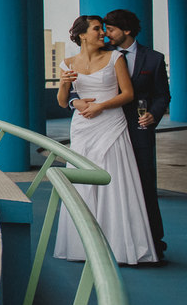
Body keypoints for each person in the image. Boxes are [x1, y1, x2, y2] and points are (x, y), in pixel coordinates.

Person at [54, 15, 155, 265]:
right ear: (82, 35)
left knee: (115, 181)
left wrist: (101, 107)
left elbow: (128, 94)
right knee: (82, 182)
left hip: (111, 124)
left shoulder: (115, 58)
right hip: (82, 128)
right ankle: (81, 246)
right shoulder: (67, 64)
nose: (103, 34)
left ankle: (120, 246)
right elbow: (62, 100)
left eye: (103, 29)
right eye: (97, 29)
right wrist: (68, 92)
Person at [99, 8, 170, 263]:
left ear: (127, 30)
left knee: (145, 186)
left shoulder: (153, 59)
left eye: (111, 29)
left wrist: (154, 114)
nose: (106, 34)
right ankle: (112, 241)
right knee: (112, 188)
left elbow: (163, 95)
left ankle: (154, 242)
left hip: (139, 131)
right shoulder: (102, 56)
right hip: (108, 128)